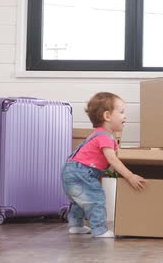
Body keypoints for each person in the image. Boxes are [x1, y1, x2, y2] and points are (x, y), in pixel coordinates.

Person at [61, 92, 146, 238]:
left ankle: (76, 225)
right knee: (96, 198)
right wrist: (129, 176)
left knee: (79, 200)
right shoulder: (104, 137)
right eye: (122, 112)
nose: (125, 116)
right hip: (81, 172)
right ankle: (99, 230)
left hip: (71, 171)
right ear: (107, 116)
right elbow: (113, 160)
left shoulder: (98, 134)